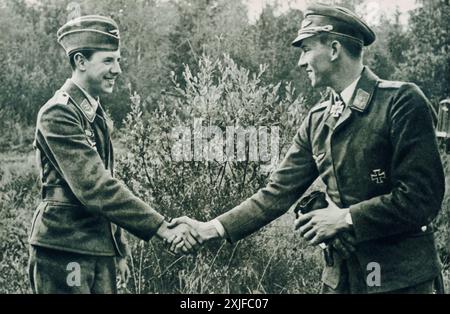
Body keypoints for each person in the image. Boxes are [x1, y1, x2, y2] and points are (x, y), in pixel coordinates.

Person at [168, 3, 445, 294]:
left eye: (306, 49)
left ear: (334, 49)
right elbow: (275, 194)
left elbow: (421, 198)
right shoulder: (318, 119)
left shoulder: (400, 102)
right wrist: (209, 229)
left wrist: (344, 218)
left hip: (400, 280)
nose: (301, 62)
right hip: (342, 279)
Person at [28, 15, 198, 294]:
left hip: (97, 248)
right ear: (81, 61)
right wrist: (162, 228)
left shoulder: (93, 114)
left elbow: (107, 182)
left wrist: (119, 250)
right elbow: (95, 187)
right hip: (64, 248)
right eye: (108, 60)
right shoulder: (58, 113)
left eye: (118, 60)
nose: (117, 69)